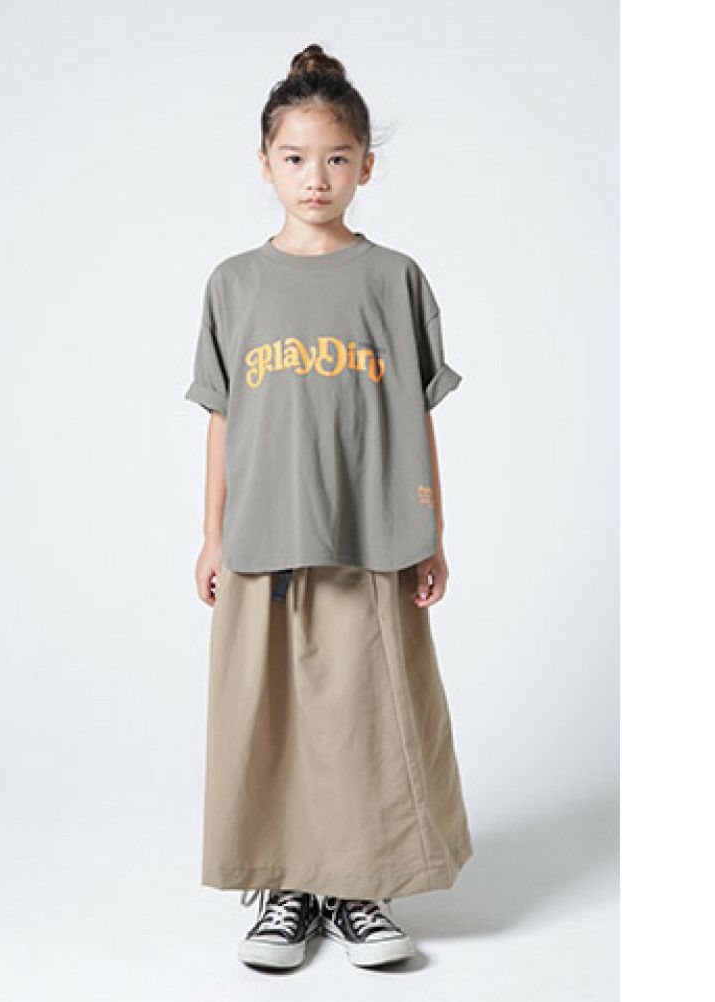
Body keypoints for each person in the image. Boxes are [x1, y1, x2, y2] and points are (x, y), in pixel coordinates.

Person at [185, 43, 474, 971]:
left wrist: (430, 529)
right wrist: (211, 535)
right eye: (296, 158)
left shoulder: (394, 279)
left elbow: (416, 414)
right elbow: (223, 418)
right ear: (265, 163)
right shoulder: (235, 283)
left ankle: (359, 887)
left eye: (337, 158)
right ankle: (287, 888)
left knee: (364, 714)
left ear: (366, 167)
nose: (317, 178)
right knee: (267, 715)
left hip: (368, 535)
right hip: (263, 538)